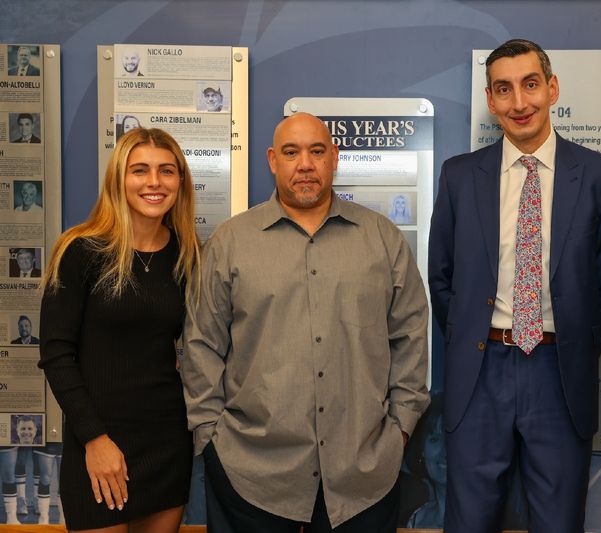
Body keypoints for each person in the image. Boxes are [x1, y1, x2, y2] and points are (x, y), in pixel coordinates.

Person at [181, 112, 429, 532]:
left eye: (317, 151)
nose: (305, 164)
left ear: (335, 157)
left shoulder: (382, 239)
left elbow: (410, 337)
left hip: (363, 474)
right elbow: (201, 344)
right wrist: (210, 435)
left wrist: (400, 429)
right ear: (272, 160)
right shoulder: (230, 243)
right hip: (251, 471)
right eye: (291, 152)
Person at [428, 39, 601, 533]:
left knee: (559, 523)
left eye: (530, 85)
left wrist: (573, 347)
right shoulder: (459, 176)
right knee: (469, 521)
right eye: (504, 89)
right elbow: (442, 277)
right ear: (490, 101)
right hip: (481, 371)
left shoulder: (600, 176)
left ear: (552, 88)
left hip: (558, 373)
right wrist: (473, 339)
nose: (520, 102)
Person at [38, 127, 200, 532]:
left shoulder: (188, 256)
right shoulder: (81, 251)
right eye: (139, 170)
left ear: (180, 181)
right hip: (97, 441)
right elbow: (57, 355)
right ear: (118, 179)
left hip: (166, 442)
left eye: (167, 171)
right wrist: (95, 439)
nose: (154, 182)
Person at [404, 394, 445, 528]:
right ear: (422, 449)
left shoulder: (490, 518)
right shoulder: (416, 520)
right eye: (435, 439)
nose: (444, 450)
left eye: (453, 440)